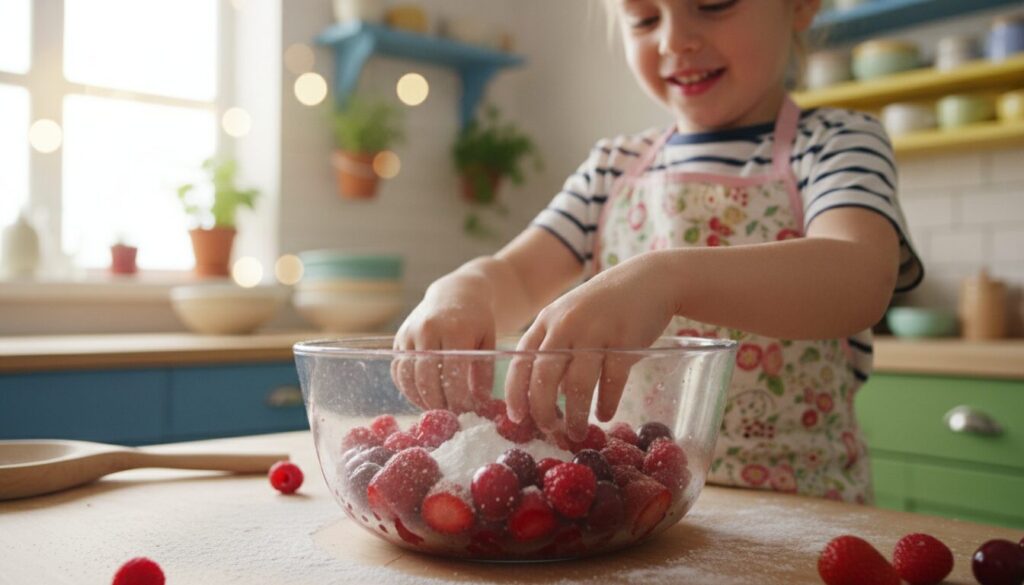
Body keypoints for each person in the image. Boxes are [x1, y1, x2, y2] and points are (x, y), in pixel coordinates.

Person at [393, 0, 923, 503]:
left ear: (802, 5)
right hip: (633, 506)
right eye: (645, 19)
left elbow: (860, 274)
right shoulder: (611, 169)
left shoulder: (836, 143)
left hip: (803, 508)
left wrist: (668, 279)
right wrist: (461, 289)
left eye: (714, 5)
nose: (675, 40)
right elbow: (516, 277)